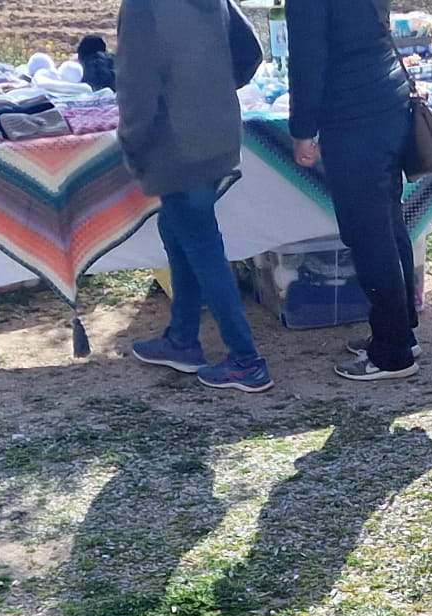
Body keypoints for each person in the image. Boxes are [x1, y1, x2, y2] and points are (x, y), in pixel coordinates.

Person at [116, 0, 273, 393]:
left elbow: (137, 86)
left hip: (175, 144)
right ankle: (182, 339)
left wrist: (132, 145)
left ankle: (246, 360)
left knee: (200, 242)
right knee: (178, 229)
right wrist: (213, 90)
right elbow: (250, 51)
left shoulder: (142, 6)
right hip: (218, 132)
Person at [287, 0, 421, 382]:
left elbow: (307, 59)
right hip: (386, 99)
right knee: (388, 224)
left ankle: (393, 352)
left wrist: (302, 130)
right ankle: (401, 331)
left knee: (369, 234)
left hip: (353, 116)